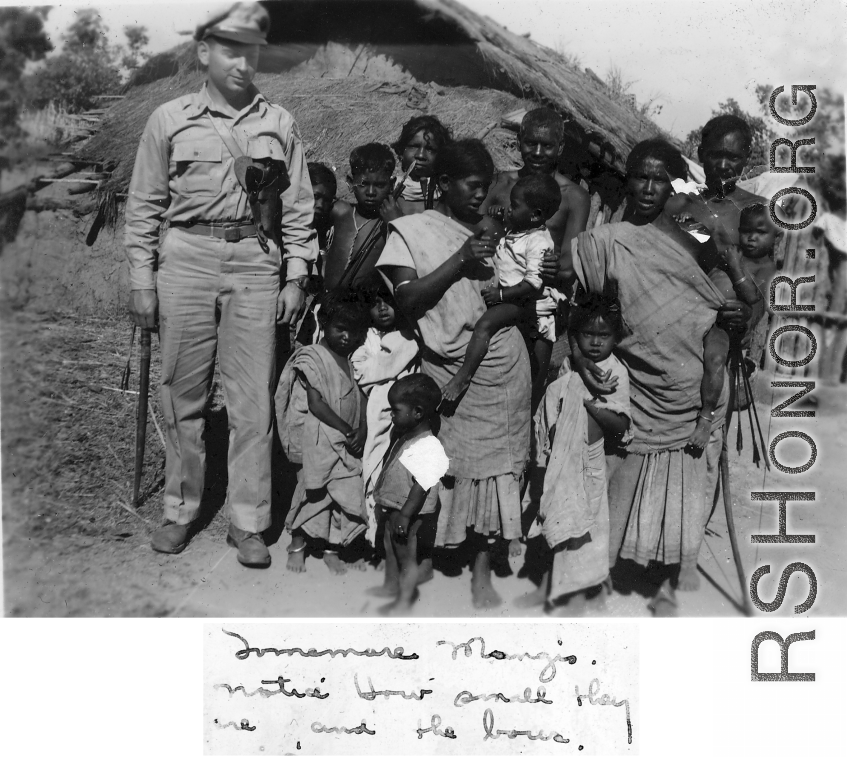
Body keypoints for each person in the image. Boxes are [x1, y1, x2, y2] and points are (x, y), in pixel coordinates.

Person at [124, 3, 317, 566]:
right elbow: (144, 206)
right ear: (205, 53)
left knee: (251, 400)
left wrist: (297, 275)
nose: (243, 62)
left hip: (256, 260)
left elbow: (299, 206)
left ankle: (249, 522)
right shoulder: (169, 118)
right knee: (182, 394)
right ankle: (180, 511)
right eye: (231, 50)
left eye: (252, 51)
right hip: (186, 257)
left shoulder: (279, 121)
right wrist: (142, 280)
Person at [571, 138, 753, 612]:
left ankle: (670, 581)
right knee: (620, 473)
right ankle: (600, 576)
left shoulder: (689, 227)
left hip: (693, 367)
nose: (649, 187)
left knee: (688, 481)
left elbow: (725, 277)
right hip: (636, 370)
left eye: (658, 178)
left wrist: (733, 317)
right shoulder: (606, 240)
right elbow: (586, 308)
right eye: (640, 176)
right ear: (627, 179)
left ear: (671, 183)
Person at [377, 138, 531, 609]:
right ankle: (419, 555)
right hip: (443, 368)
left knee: (493, 473)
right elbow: (407, 299)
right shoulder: (409, 231)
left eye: (484, 188)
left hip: (500, 366)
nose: (479, 197)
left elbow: (512, 295)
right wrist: (461, 259)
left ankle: (481, 571)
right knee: (436, 463)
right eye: (470, 186)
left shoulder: (489, 229)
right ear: (442, 183)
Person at [534, 291, 631, 615]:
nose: (594, 342)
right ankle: (556, 589)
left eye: (603, 336)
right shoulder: (570, 364)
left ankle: (581, 592)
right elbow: (558, 399)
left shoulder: (615, 373)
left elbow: (619, 423)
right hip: (563, 456)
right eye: (588, 334)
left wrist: (590, 405)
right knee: (561, 516)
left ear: (615, 337)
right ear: (576, 336)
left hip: (590, 460)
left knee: (587, 525)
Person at [440, 173, 561, 412]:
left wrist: (502, 295)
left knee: (484, 325)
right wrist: (499, 213)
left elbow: (533, 284)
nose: (509, 210)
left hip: (521, 300)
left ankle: (464, 375)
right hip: (511, 295)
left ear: (536, 215)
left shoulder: (539, 242)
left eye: (514, 206)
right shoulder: (522, 226)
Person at [277, 290, 370, 574]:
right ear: (323, 322)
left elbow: (361, 398)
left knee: (341, 494)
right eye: (340, 329)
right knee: (312, 491)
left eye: (353, 332)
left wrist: (361, 430)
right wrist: (345, 429)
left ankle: (332, 547)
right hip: (320, 439)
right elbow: (316, 404)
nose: (346, 337)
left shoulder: (353, 361)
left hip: (345, 441)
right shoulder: (314, 357)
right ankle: (297, 545)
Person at [481, 107, 590, 284]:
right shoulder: (499, 184)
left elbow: (568, 267)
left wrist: (542, 268)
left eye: (547, 146)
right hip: (490, 281)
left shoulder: (574, 197)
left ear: (560, 147)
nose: (538, 153)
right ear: (518, 142)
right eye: (531, 144)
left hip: (539, 294)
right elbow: (470, 232)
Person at [350, 280, 420, 553]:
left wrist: (385, 372)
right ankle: (372, 537)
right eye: (376, 303)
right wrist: (385, 373)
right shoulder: (365, 337)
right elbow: (361, 371)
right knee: (372, 469)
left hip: (402, 417)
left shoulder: (409, 336)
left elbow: (400, 371)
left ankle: (394, 540)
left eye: (388, 302)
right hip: (373, 412)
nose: (382, 309)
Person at [371, 374, 449, 615]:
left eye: (395, 410)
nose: (391, 415)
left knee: (406, 555)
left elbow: (421, 486)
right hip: (396, 508)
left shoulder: (428, 445)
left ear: (417, 412)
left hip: (409, 512)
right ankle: (391, 585)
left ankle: (406, 597)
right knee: (390, 548)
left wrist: (405, 515)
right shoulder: (407, 435)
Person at [666, 114, 766, 250]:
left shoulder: (762, 213)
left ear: (747, 159)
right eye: (715, 155)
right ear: (701, 154)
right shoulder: (678, 204)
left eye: (733, 158)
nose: (723, 166)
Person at [323, 143, 396, 291]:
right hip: (327, 302)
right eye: (363, 184)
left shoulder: (389, 221)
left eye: (380, 185)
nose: (370, 192)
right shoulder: (340, 211)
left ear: (392, 185)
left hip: (363, 307)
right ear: (350, 183)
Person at [391, 115, 453, 215]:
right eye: (414, 146)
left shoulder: (447, 197)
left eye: (430, 149)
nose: (420, 155)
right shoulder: (388, 192)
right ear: (402, 151)